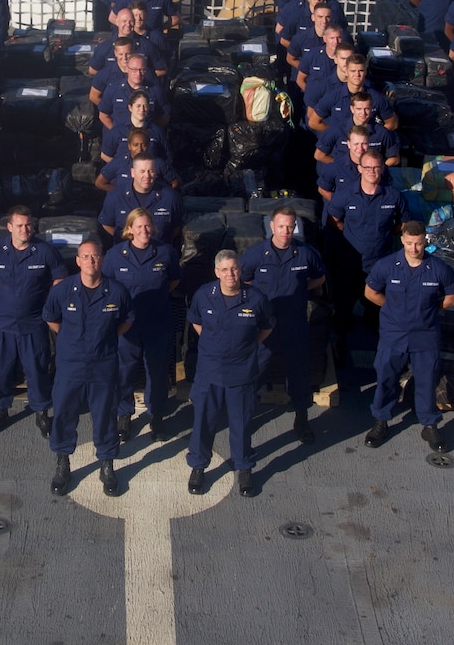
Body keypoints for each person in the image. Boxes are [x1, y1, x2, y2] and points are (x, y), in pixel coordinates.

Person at [42, 238, 133, 497]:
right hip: (70, 365)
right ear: (78, 261)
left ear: (101, 259)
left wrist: (103, 340)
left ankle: (107, 464)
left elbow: (126, 321)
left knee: (105, 415)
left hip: (103, 364)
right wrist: (74, 342)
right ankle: (63, 462)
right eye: (85, 257)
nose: (90, 261)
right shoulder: (62, 291)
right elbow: (51, 318)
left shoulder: (116, 291)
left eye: (95, 256)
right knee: (63, 413)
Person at [363, 220, 454, 451]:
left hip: (425, 334)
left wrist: (431, 312)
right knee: (386, 376)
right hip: (393, 333)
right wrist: (391, 310)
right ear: (402, 240)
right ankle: (381, 420)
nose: (414, 249)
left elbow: (452, 298)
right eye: (409, 243)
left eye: (418, 243)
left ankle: (429, 425)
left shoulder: (438, 268)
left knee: (426, 379)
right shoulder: (387, 266)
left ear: (425, 240)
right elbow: (370, 292)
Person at [186, 250, 275, 498]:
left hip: (241, 373)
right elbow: (195, 321)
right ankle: (198, 466)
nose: (230, 274)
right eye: (224, 270)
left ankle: (244, 466)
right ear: (216, 272)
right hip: (209, 372)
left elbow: (266, 327)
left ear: (240, 270)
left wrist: (245, 348)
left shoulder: (255, 298)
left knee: (242, 423)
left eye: (234, 269)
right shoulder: (204, 295)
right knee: (203, 422)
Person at [0, 207, 69, 437]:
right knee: (2, 369)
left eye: (28, 225)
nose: (24, 229)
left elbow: (60, 278)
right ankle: (0, 410)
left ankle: (41, 413)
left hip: (34, 322)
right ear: (9, 227)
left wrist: (47, 302)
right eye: (19, 225)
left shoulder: (44, 251)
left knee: (36, 369)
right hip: (3, 324)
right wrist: (1, 294)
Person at [239, 206, 327, 444]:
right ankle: (246, 418)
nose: (286, 231)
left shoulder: (306, 253)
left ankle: (301, 417)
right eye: (281, 226)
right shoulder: (256, 254)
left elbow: (319, 277)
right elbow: (243, 280)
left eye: (290, 226)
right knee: (256, 370)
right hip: (264, 325)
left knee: (298, 371)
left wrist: (299, 291)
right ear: (272, 227)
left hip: (294, 323)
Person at [103, 208, 182, 442]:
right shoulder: (115, 255)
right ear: (129, 229)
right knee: (124, 370)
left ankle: (156, 416)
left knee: (156, 371)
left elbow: (174, 279)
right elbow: (107, 287)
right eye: (139, 226)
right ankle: (124, 414)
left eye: (148, 226)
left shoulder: (165, 252)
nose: (144, 230)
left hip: (157, 320)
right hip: (127, 324)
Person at [98, 155, 182, 243]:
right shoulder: (115, 196)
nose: (147, 175)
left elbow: (176, 227)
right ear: (133, 172)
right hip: (125, 254)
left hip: (160, 253)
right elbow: (106, 223)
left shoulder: (170, 197)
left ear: (156, 173)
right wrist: (131, 240)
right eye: (142, 171)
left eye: (151, 171)